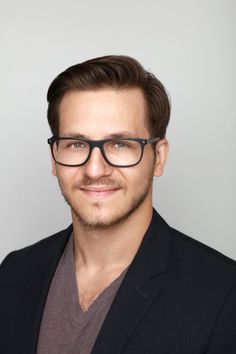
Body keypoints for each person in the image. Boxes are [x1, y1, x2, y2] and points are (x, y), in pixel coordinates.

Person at [0, 55, 236, 354]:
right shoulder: (15, 273)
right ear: (54, 157)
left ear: (159, 157)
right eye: (76, 144)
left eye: (120, 144)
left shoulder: (224, 294)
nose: (95, 169)